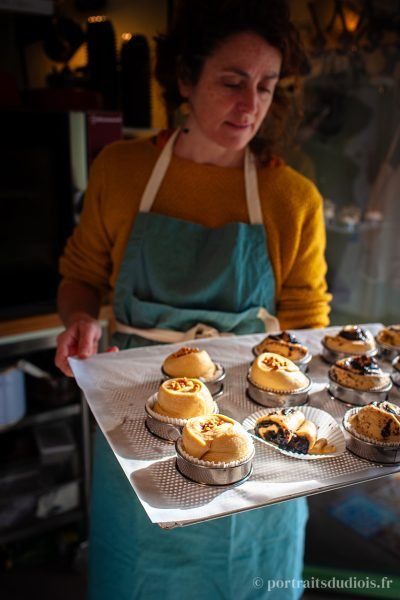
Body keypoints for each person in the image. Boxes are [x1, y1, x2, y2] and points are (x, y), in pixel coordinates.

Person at [55, 1, 331, 598]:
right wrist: (79, 316)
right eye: (232, 82)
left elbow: (308, 325)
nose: (250, 104)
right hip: (142, 427)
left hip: (258, 434)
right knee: (139, 574)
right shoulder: (122, 170)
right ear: (185, 79)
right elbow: (81, 274)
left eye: (265, 86)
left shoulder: (292, 197)